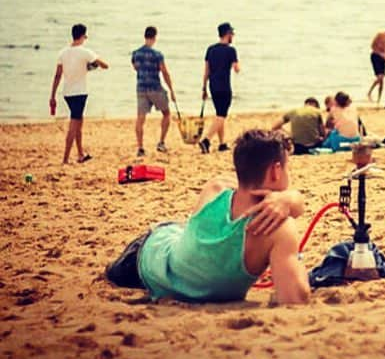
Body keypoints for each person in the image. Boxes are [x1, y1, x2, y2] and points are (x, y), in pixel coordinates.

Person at [105, 129, 310, 305]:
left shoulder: (215, 188)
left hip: (148, 266)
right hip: (147, 252)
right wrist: (293, 199)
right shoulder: (281, 229)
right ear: (275, 171)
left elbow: (243, 184)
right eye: (287, 168)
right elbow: (294, 299)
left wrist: (291, 199)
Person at [49, 23, 109, 164]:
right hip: (80, 93)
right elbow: (105, 65)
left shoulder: (63, 53)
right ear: (83, 36)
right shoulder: (85, 52)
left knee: (78, 123)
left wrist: (52, 96)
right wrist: (91, 66)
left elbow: (57, 76)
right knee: (74, 125)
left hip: (67, 93)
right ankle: (65, 158)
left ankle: (81, 154)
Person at [131, 26, 176, 158]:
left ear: (145, 36)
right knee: (167, 114)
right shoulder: (157, 55)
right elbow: (165, 72)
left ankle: (140, 148)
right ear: (155, 37)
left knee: (140, 118)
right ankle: (161, 142)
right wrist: (171, 90)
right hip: (155, 87)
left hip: (141, 88)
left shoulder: (136, 53)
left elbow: (135, 67)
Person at [199, 22, 240, 154]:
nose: (232, 36)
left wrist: (204, 88)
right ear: (227, 34)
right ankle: (206, 140)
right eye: (232, 34)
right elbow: (236, 69)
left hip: (213, 86)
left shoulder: (210, 49)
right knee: (222, 115)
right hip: (224, 86)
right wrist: (237, 64)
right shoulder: (230, 50)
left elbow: (206, 70)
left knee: (219, 114)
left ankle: (222, 143)